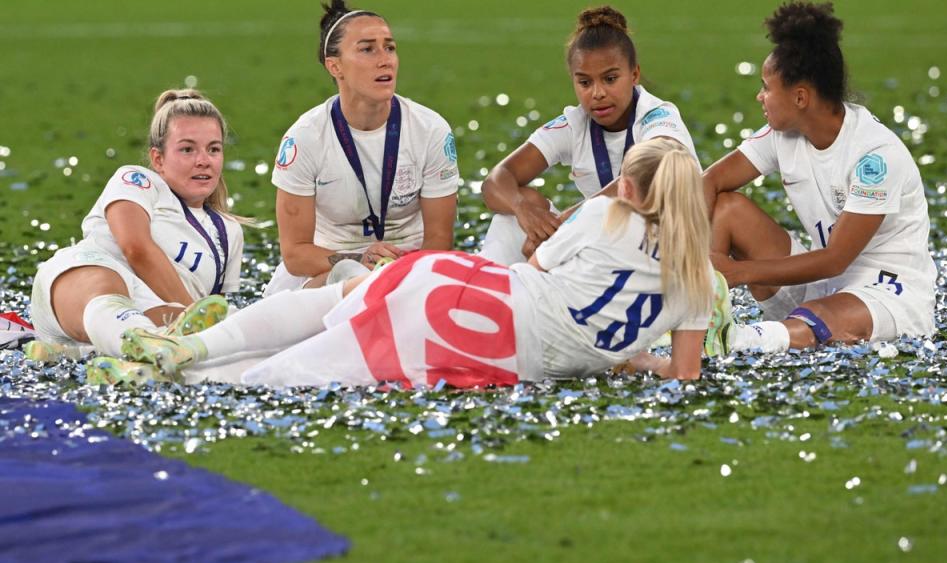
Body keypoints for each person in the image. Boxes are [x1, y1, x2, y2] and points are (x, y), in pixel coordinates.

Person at [98, 138, 716, 387]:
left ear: (629, 189)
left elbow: (547, 275)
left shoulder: (606, 216)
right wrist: (629, 356)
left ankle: (189, 351)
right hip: (498, 345)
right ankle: (173, 375)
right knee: (304, 372)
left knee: (325, 310)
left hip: (472, 289)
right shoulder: (700, 283)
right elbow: (683, 373)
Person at [703, 1, 936, 355]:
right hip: (821, 284)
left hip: (887, 293)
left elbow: (836, 259)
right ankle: (702, 312)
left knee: (817, 315)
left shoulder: (875, 157)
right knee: (727, 208)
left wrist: (738, 273)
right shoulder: (782, 134)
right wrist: (700, 263)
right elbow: (709, 182)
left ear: (800, 97)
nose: (760, 96)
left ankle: (729, 341)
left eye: (766, 87)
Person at [27, 89, 245, 364]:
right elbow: (136, 248)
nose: (203, 160)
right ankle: (144, 343)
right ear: (158, 159)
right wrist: (194, 316)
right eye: (187, 149)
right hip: (81, 290)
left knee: (227, 322)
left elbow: (214, 307)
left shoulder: (229, 233)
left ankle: (110, 354)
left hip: (152, 315)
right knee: (106, 282)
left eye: (213, 149)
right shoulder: (137, 180)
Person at [263, 0, 459, 295]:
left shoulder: (430, 131)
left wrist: (395, 268)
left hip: (413, 265)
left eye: (389, 47)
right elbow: (295, 254)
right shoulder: (304, 139)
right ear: (335, 66)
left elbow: (440, 240)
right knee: (348, 285)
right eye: (368, 49)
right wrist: (358, 260)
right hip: (327, 267)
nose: (386, 60)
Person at [479, 5, 698, 266]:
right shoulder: (574, 124)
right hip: (607, 248)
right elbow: (495, 181)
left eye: (610, 79)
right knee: (519, 207)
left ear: (634, 75)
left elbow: (648, 176)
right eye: (585, 82)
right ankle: (488, 293)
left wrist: (565, 224)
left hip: (665, 254)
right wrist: (522, 209)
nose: (597, 93)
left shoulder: (658, 116)